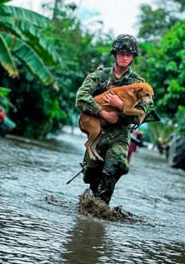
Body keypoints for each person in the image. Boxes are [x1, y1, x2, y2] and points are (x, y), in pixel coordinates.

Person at [75, 34, 145, 205]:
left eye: (128, 54)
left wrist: (121, 106)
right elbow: (81, 97)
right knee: (91, 173)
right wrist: (102, 112)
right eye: (121, 53)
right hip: (99, 130)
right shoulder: (99, 76)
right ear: (115, 54)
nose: (124, 57)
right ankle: (91, 204)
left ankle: (102, 206)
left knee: (115, 166)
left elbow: (143, 112)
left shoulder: (138, 83)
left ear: (133, 58)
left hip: (119, 134)